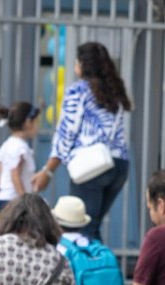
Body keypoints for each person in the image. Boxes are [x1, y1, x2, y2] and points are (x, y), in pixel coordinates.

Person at [31, 42, 132, 243]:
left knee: (81, 227)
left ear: (82, 65)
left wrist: (48, 170)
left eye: (76, 61)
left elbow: (66, 133)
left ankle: (89, 273)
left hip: (91, 166)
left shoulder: (77, 91)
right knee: (91, 226)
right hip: (119, 165)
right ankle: (100, 270)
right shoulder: (115, 91)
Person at [0, 102, 39, 232]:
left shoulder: (6, 145)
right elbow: (15, 174)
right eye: (36, 122)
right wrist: (26, 201)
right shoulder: (21, 147)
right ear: (28, 122)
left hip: (2, 200)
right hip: (15, 203)